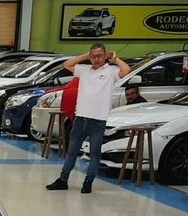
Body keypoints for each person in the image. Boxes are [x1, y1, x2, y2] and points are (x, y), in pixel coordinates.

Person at [46, 43, 131, 194]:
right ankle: (63, 179)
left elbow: (126, 70)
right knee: (72, 150)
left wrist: (115, 59)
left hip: (98, 120)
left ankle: (88, 182)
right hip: (80, 118)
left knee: (94, 153)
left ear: (105, 56)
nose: (96, 59)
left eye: (99, 56)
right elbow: (67, 64)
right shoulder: (84, 70)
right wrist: (86, 55)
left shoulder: (111, 71)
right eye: (93, 56)